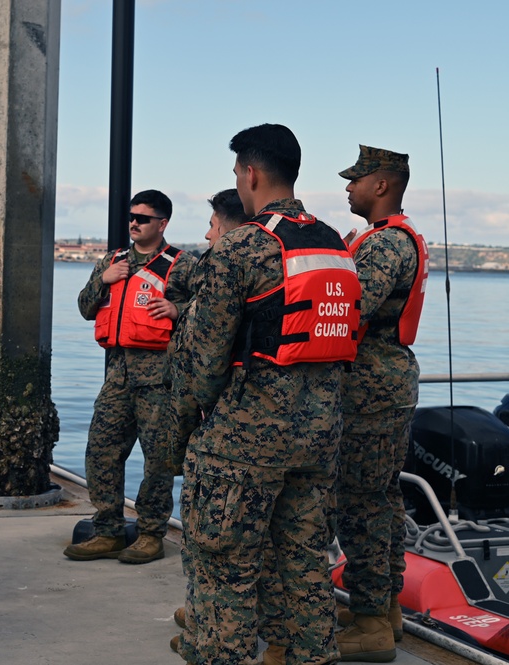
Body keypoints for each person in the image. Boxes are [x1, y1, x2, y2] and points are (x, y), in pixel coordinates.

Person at [175, 124, 361, 664]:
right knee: (304, 570)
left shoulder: (243, 247)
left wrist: (194, 410)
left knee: (224, 574)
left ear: (250, 173)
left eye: (237, 171)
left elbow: (203, 360)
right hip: (319, 437)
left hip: (244, 443)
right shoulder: (336, 245)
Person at [65, 189, 195, 564]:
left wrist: (177, 308)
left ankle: (151, 533)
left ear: (162, 223)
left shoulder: (183, 265)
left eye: (143, 218)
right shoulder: (113, 261)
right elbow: (86, 308)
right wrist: (103, 279)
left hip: (159, 379)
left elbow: (209, 310)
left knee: (158, 460)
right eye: (131, 217)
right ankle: (107, 529)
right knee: (101, 450)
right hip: (117, 376)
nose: (134, 223)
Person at [332, 145, 426, 660]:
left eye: (356, 180)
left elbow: (350, 306)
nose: (349, 187)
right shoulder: (387, 239)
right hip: (388, 386)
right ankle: (385, 609)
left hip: (369, 390)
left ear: (382, 185)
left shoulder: (385, 244)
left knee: (361, 503)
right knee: (384, 499)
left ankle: (370, 625)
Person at [167, 189, 248, 653]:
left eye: (212, 226)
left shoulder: (231, 264)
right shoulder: (294, 255)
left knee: (213, 540)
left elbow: (203, 360)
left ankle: (213, 639)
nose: (206, 234)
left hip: (225, 425)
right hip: (296, 428)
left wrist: (189, 415)